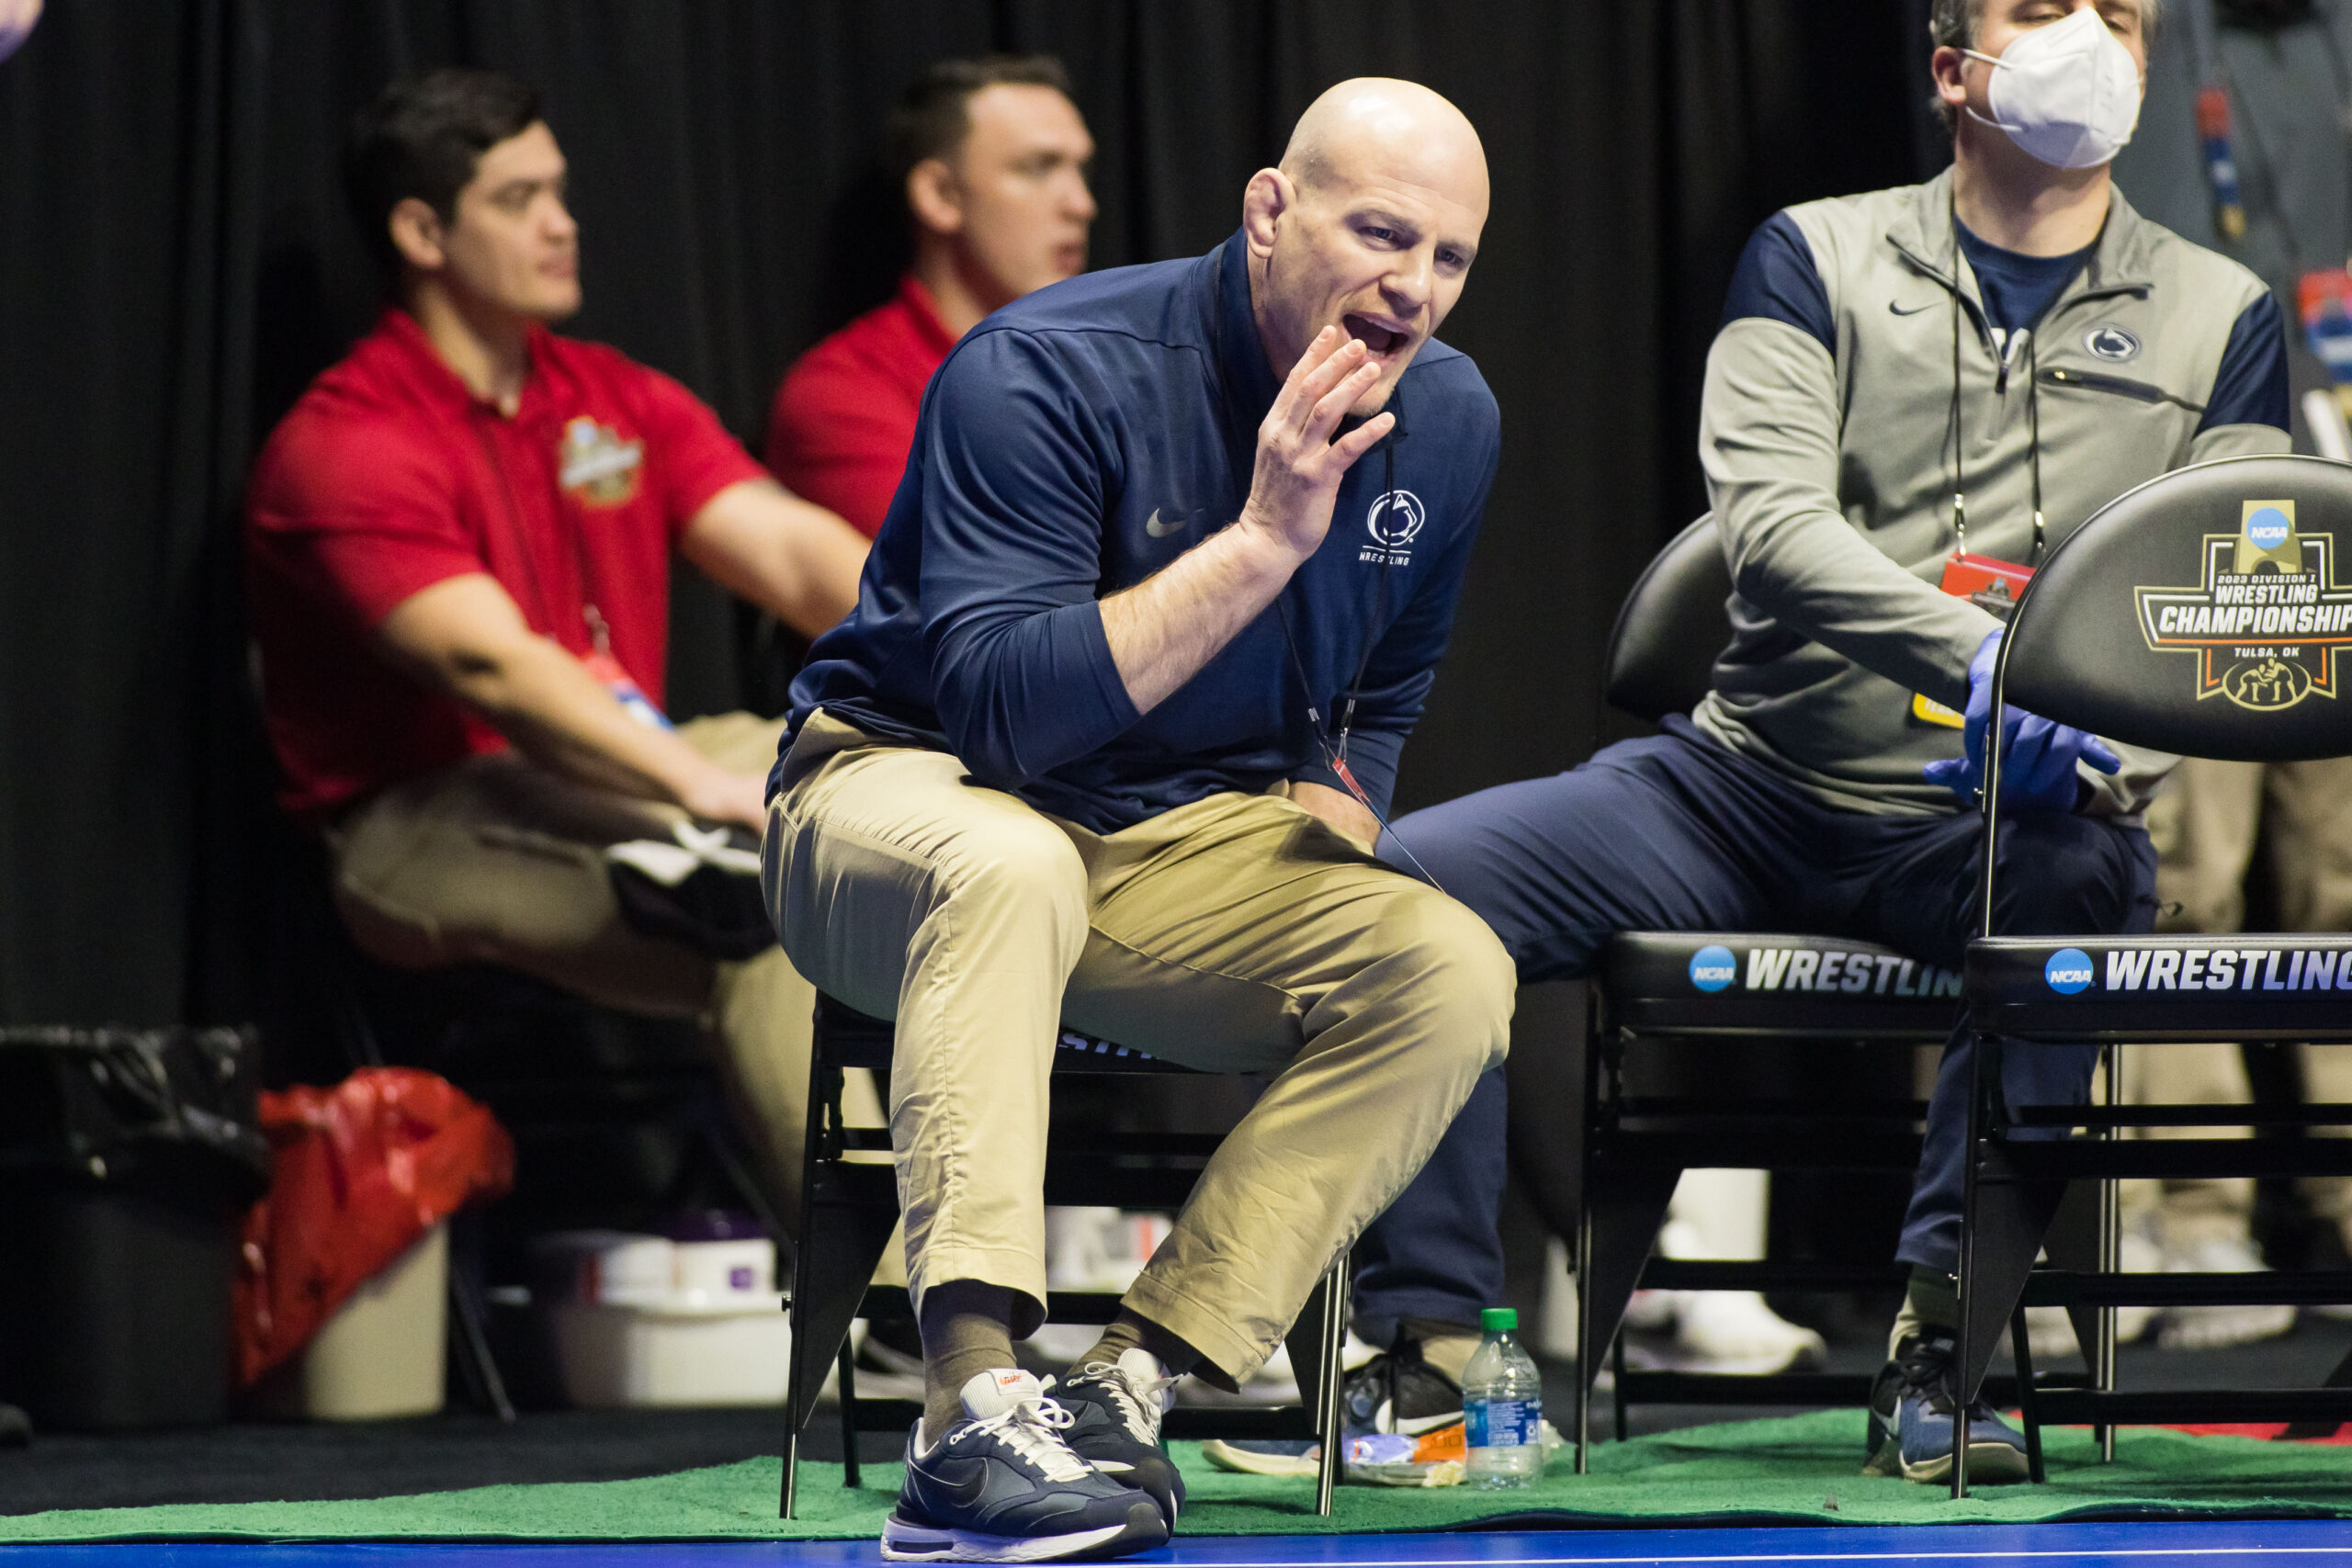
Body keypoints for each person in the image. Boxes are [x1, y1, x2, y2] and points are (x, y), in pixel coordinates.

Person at [1353, 0, 2290, 1486]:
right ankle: (1431, 1347)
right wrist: (2005, 659)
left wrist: (2113, 738)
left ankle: (1943, 1349)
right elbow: (1773, 532)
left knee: (2077, 883)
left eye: (2118, 14)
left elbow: (2225, 612)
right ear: (1949, 65)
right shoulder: (1816, 254)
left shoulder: (2225, 311)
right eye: (2041, 10)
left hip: (1999, 821)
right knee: (1411, 882)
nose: (2088, 39)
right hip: (1742, 786)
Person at [765, 78, 1510, 1561]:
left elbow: (1381, 694)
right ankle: (968, 1407)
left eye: (1451, 257)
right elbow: (1000, 714)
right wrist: (1263, 541)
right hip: (895, 795)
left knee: (1448, 967)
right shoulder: (1043, 368)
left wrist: (1324, 838)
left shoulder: (1450, 421)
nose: (1413, 289)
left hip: (1162, 841)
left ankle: (1130, 1384)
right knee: (1012, 857)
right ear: (1267, 212)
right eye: (1380, 234)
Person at [244, 69, 867, 1232]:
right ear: (422, 231)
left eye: (562, 191)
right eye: (520, 197)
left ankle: (1000, 1269)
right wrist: (699, 792)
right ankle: (892, 1320)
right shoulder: (346, 440)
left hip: (622, 759)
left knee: (895, 805)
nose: (562, 222)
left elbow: (791, 555)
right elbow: (496, 674)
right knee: (762, 908)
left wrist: (992, 661)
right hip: (416, 818)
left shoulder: (606, 395)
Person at [2105, 0, 2352, 1320]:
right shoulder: (2129, 37)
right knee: (2183, 869)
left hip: (2344, 472)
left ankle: (2339, 1203)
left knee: (2340, 872)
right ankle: (2180, 1212)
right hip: (2200, 493)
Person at [764, 55, 1096, 537]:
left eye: (1080, 170)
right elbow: (980, 588)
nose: (1082, 205)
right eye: (1039, 168)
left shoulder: (1108, 362)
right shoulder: (843, 394)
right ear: (941, 194)